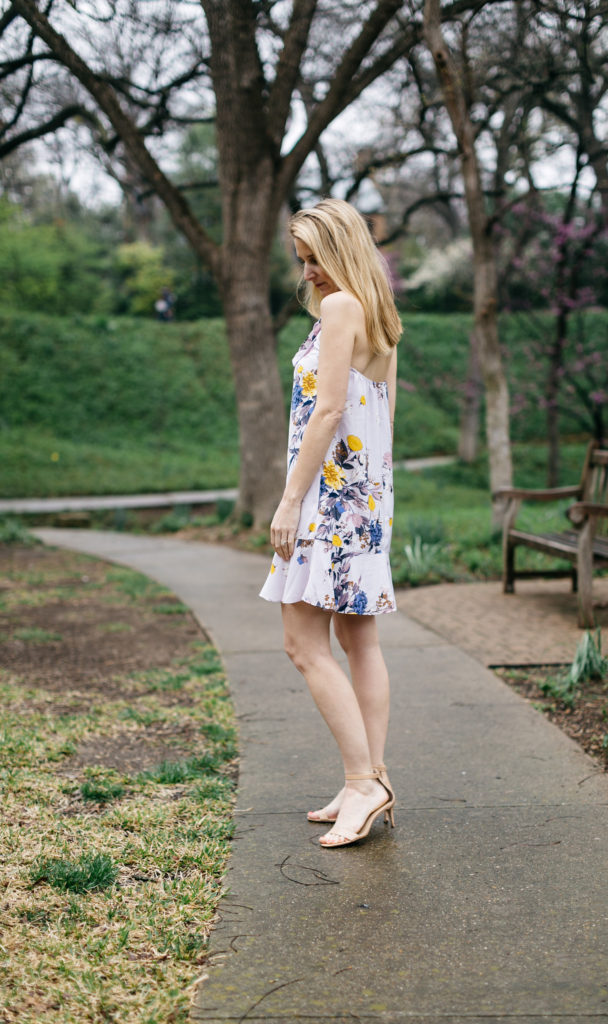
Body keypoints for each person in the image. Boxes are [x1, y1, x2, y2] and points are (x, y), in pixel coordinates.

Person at [259, 198, 402, 849]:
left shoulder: (341, 309)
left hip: (330, 501)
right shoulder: (376, 315)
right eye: (302, 259)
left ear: (342, 250)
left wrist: (290, 501)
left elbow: (327, 412)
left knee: (302, 644)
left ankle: (363, 783)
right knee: (357, 643)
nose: (308, 271)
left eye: (315, 257)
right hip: (363, 500)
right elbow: (382, 419)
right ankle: (366, 779)